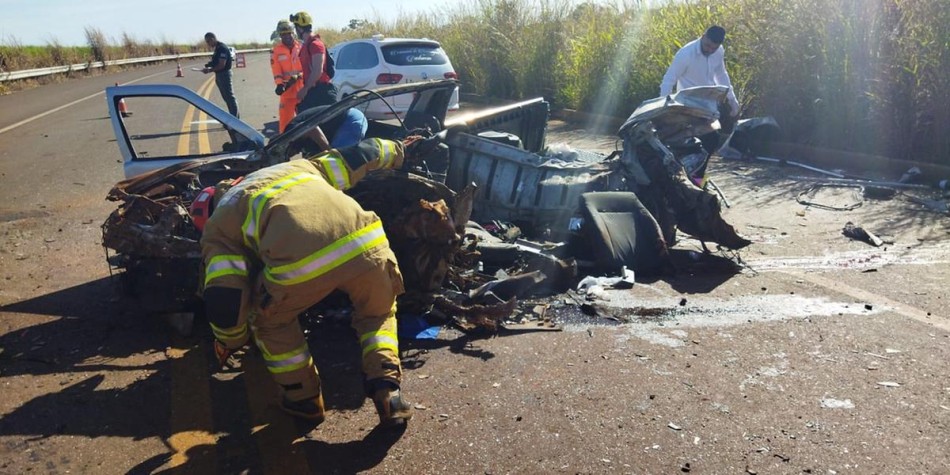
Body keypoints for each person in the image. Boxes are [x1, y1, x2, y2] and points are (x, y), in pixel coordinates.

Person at [194, 137, 421, 427]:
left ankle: (304, 400)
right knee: (377, 316)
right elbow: (361, 154)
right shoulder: (293, 168)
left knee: (269, 323)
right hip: (369, 243)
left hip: (301, 266)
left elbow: (226, 294)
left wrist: (230, 340)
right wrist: (400, 149)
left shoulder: (218, 226)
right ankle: (388, 390)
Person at [659, 25, 740, 152]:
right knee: (701, 141)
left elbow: (721, 75)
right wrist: (664, 106)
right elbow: (669, 80)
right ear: (703, 37)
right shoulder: (686, 54)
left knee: (711, 141)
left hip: (708, 105)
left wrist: (732, 99)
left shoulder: (719, 51)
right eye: (708, 46)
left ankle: (696, 171)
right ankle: (689, 169)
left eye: (714, 48)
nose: (710, 50)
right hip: (688, 105)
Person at [289, 11, 339, 112]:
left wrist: (305, 89)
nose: (295, 31)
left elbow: (317, 71)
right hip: (313, 92)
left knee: (326, 125)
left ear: (299, 28)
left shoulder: (315, 44)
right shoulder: (305, 45)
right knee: (304, 121)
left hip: (322, 93)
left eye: (295, 28)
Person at [286, 105, 368, 155]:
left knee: (337, 160)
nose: (291, 155)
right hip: (349, 118)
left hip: (349, 119)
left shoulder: (291, 132)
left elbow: (312, 129)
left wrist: (328, 150)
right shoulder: (294, 141)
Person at [271, 20, 304, 133]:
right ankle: (283, 145)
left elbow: (308, 68)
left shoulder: (302, 47)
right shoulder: (276, 51)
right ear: (280, 35)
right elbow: (276, 71)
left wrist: (299, 76)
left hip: (303, 90)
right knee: (285, 123)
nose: (287, 36)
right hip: (287, 92)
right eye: (284, 34)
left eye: (289, 33)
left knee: (307, 121)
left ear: (293, 33)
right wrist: (279, 84)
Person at [202, 32, 240, 119]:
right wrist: (208, 65)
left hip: (224, 75)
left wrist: (209, 70)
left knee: (230, 98)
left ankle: (235, 120)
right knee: (226, 98)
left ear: (212, 39)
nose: (208, 44)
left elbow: (221, 65)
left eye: (208, 41)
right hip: (219, 75)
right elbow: (216, 62)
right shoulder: (217, 48)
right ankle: (232, 117)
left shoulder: (222, 48)